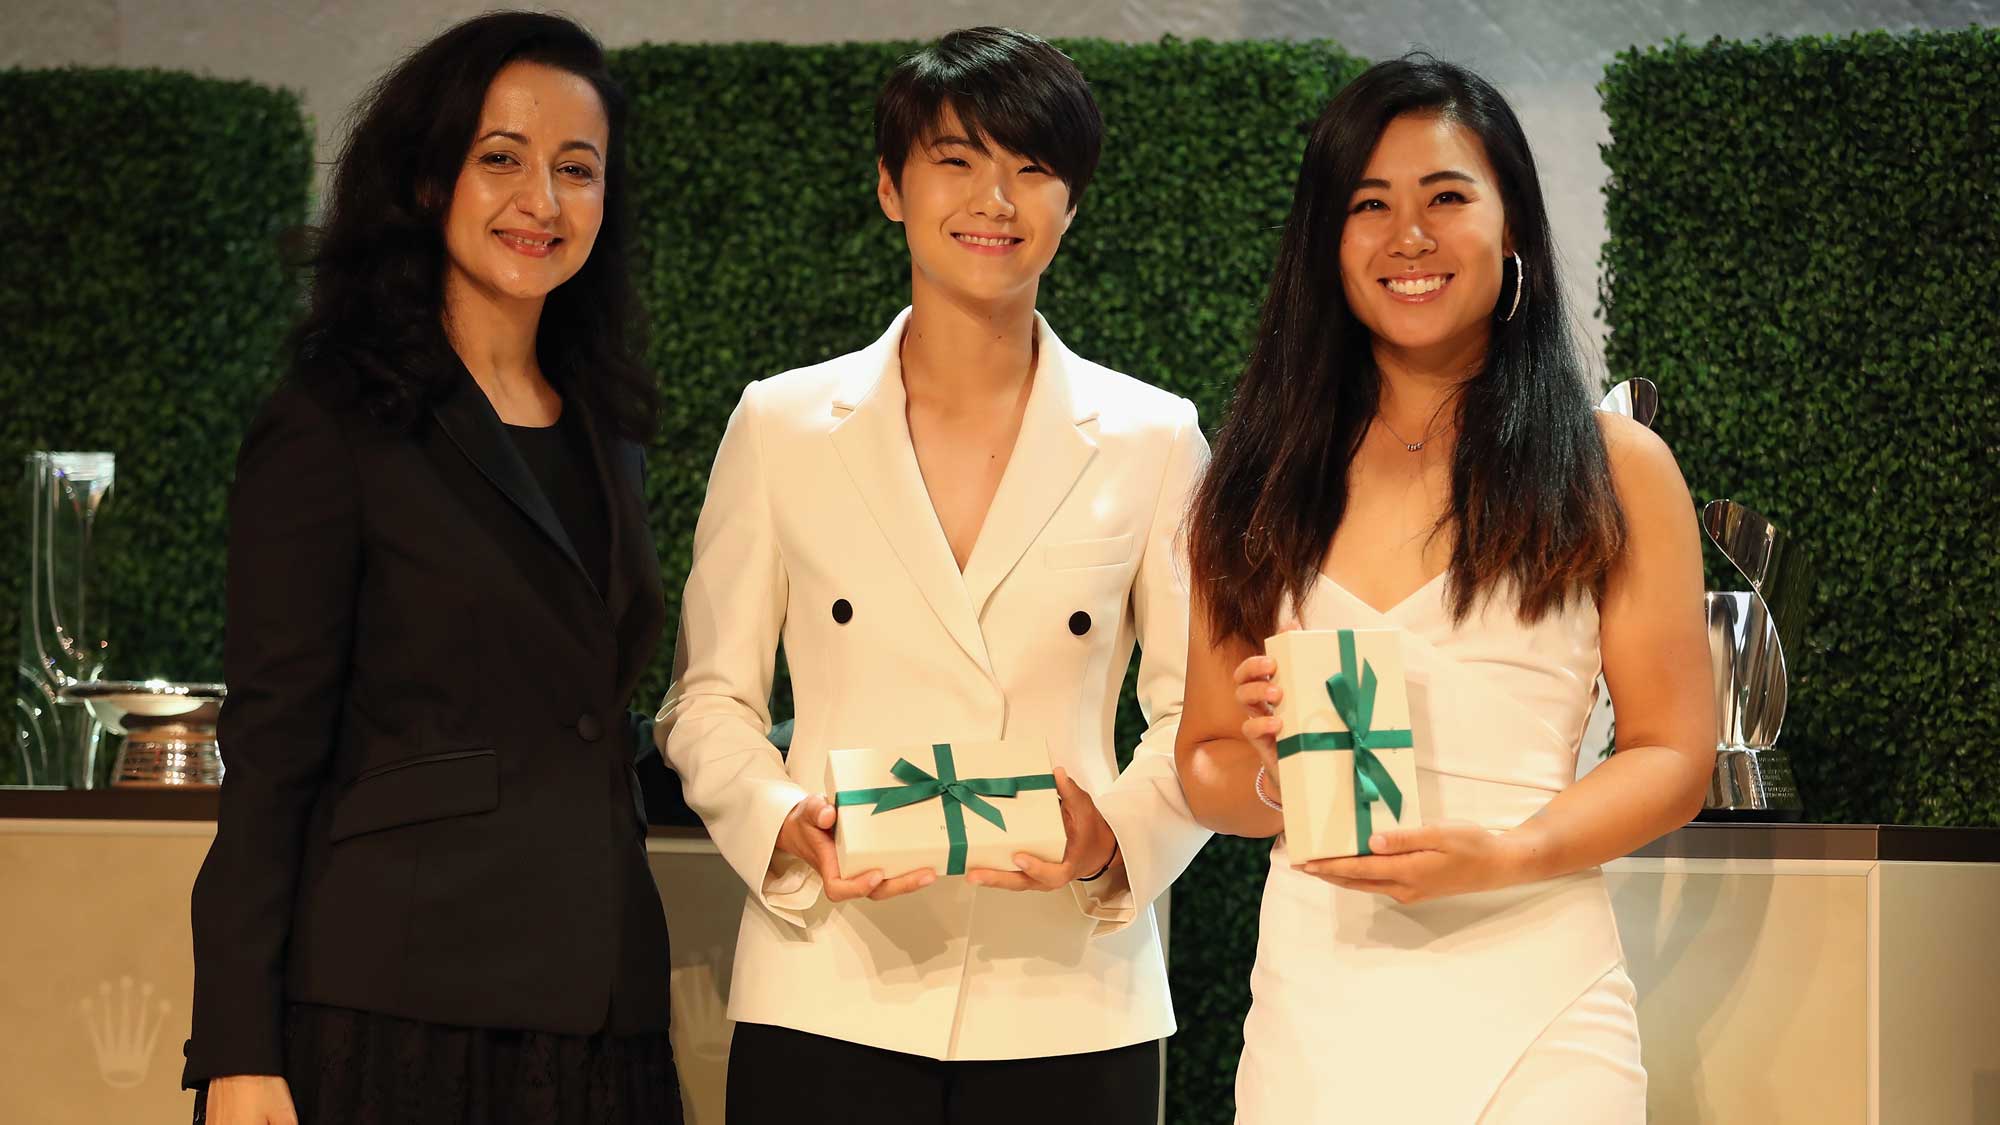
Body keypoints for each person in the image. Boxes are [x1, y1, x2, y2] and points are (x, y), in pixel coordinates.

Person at [659, 26, 1209, 1124]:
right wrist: (781, 822)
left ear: (1071, 202)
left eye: (1032, 167)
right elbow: (707, 698)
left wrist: (1111, 834)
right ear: (889, 187)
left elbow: (1195, 712)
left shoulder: (1153, 437)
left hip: (1069, 996)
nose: (993, 198)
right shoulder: (781, 424)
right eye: (956, 160)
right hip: (829, 981)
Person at [1174, 55, 1715, 1123]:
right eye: (1367, 205)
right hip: (1315, 1014)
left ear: (1509, 224)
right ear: (1325, 242)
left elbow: (1670, 755)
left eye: (1445, 198)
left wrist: (1510, 852)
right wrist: (1274, 776)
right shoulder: (1253, 473)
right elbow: (1202, 764)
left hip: (1539, 1004)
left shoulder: (1612, 465)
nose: (1406, 237)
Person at [183, 13, 681, 1124]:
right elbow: (270, 754)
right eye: (499, 158)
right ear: (423, 178)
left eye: (576, 169)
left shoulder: (608, 430)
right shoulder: (331, 423)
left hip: (603, 1004)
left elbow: (582, 720)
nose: (540, 202)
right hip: (396, 1006)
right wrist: (236, 1047)